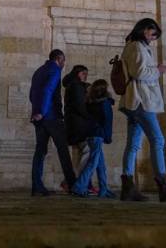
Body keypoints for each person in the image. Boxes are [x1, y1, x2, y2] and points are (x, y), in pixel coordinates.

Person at [119, 18, 166, 202]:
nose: (153, 38)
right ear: (144, 30)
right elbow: (139, 73)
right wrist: (159, 70)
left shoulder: (132, 46)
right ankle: (164, 186)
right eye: (152, 33)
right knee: (158, 140)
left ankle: (128, 187)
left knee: (133, 144)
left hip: (134, 101)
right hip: (141, 101)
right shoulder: (137, 47)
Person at [29, 49, 77, 196]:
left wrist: (36, 112)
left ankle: (37, 186)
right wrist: (42, 112)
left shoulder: (39, 71)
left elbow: (33, 94)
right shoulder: (54, 70)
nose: (64, 64)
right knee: (63, 151)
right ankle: (73, 185)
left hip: (40, 118)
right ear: (58, 59)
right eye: (63, 60)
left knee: (40, 152)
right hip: (51, 117)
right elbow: (47, 91)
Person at [71, 79, 116, 198]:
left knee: (100, 164)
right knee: (93, 162)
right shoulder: (105, 103)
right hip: (98, 135)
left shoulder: (90, 103)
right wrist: (108, 137)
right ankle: (79, 186)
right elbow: (107, 122)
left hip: (90, 134)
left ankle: (103, 189)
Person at [63, 64, 97, 194]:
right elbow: (80, 106)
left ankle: (70, 182)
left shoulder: (72, 85)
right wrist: (90, 118)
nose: (86, 76)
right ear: (79, 74)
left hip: (73, 125)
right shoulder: (76, 86)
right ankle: (79, 181)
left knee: (78, 155)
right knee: (88, 151)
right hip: (78, 125)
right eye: (84, 74)